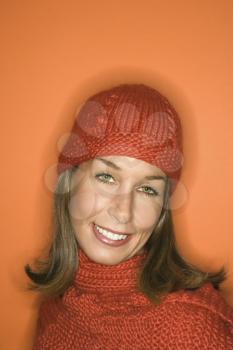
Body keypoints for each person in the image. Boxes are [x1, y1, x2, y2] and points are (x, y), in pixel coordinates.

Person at [25, 83, 233, 349]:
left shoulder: (189, 331)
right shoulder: (54, 309)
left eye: (147, 189)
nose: (123, 211)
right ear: (69, 180)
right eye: (106, 177)